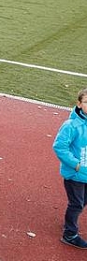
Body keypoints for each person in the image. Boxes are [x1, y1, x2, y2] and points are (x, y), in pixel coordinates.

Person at [53, 88, 87, 249]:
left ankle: (69, 220)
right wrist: (76, 164)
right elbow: (60, 147)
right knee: (76, 204)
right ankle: (70, 234)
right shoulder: (71, 125)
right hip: (75, 174)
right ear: (79, 104)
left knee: (82, 202)